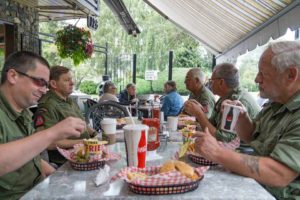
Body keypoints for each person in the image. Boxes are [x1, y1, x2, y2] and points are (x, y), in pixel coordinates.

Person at [193, 40, 300, 199]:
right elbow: (253, 137)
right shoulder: (276, 103)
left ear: (291, 75)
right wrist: (242, 119)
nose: (257, 79)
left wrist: (217, 153)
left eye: (263, 73)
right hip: (254, 187)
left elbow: (278, 173)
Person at [0, 51, 85, 199]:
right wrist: (52, 133)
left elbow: (31, 156)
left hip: (39, 188)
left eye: (46, 85)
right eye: (40, 82)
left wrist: (58, 177)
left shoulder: (24, 112)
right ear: (13, 76)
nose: (45, 90)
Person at [34, 66, 96, 167]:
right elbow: (49, 143)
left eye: (71, 79)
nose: (72, 83)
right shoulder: (48, 105)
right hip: (66, 162)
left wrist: (94, 134)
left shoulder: (70, 100)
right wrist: (83, 142)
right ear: (53, 84)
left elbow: (83, 123)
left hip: (86, 154)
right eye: (67, 80)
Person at [185, 63, 260, 142]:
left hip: (241, 150)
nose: (210, 84)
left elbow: (222, 139)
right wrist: (200, 110)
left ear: (221, 82)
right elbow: (213, 123)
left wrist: (199, 114)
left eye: (212, 81)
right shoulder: (225, 97)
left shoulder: (236, 103)